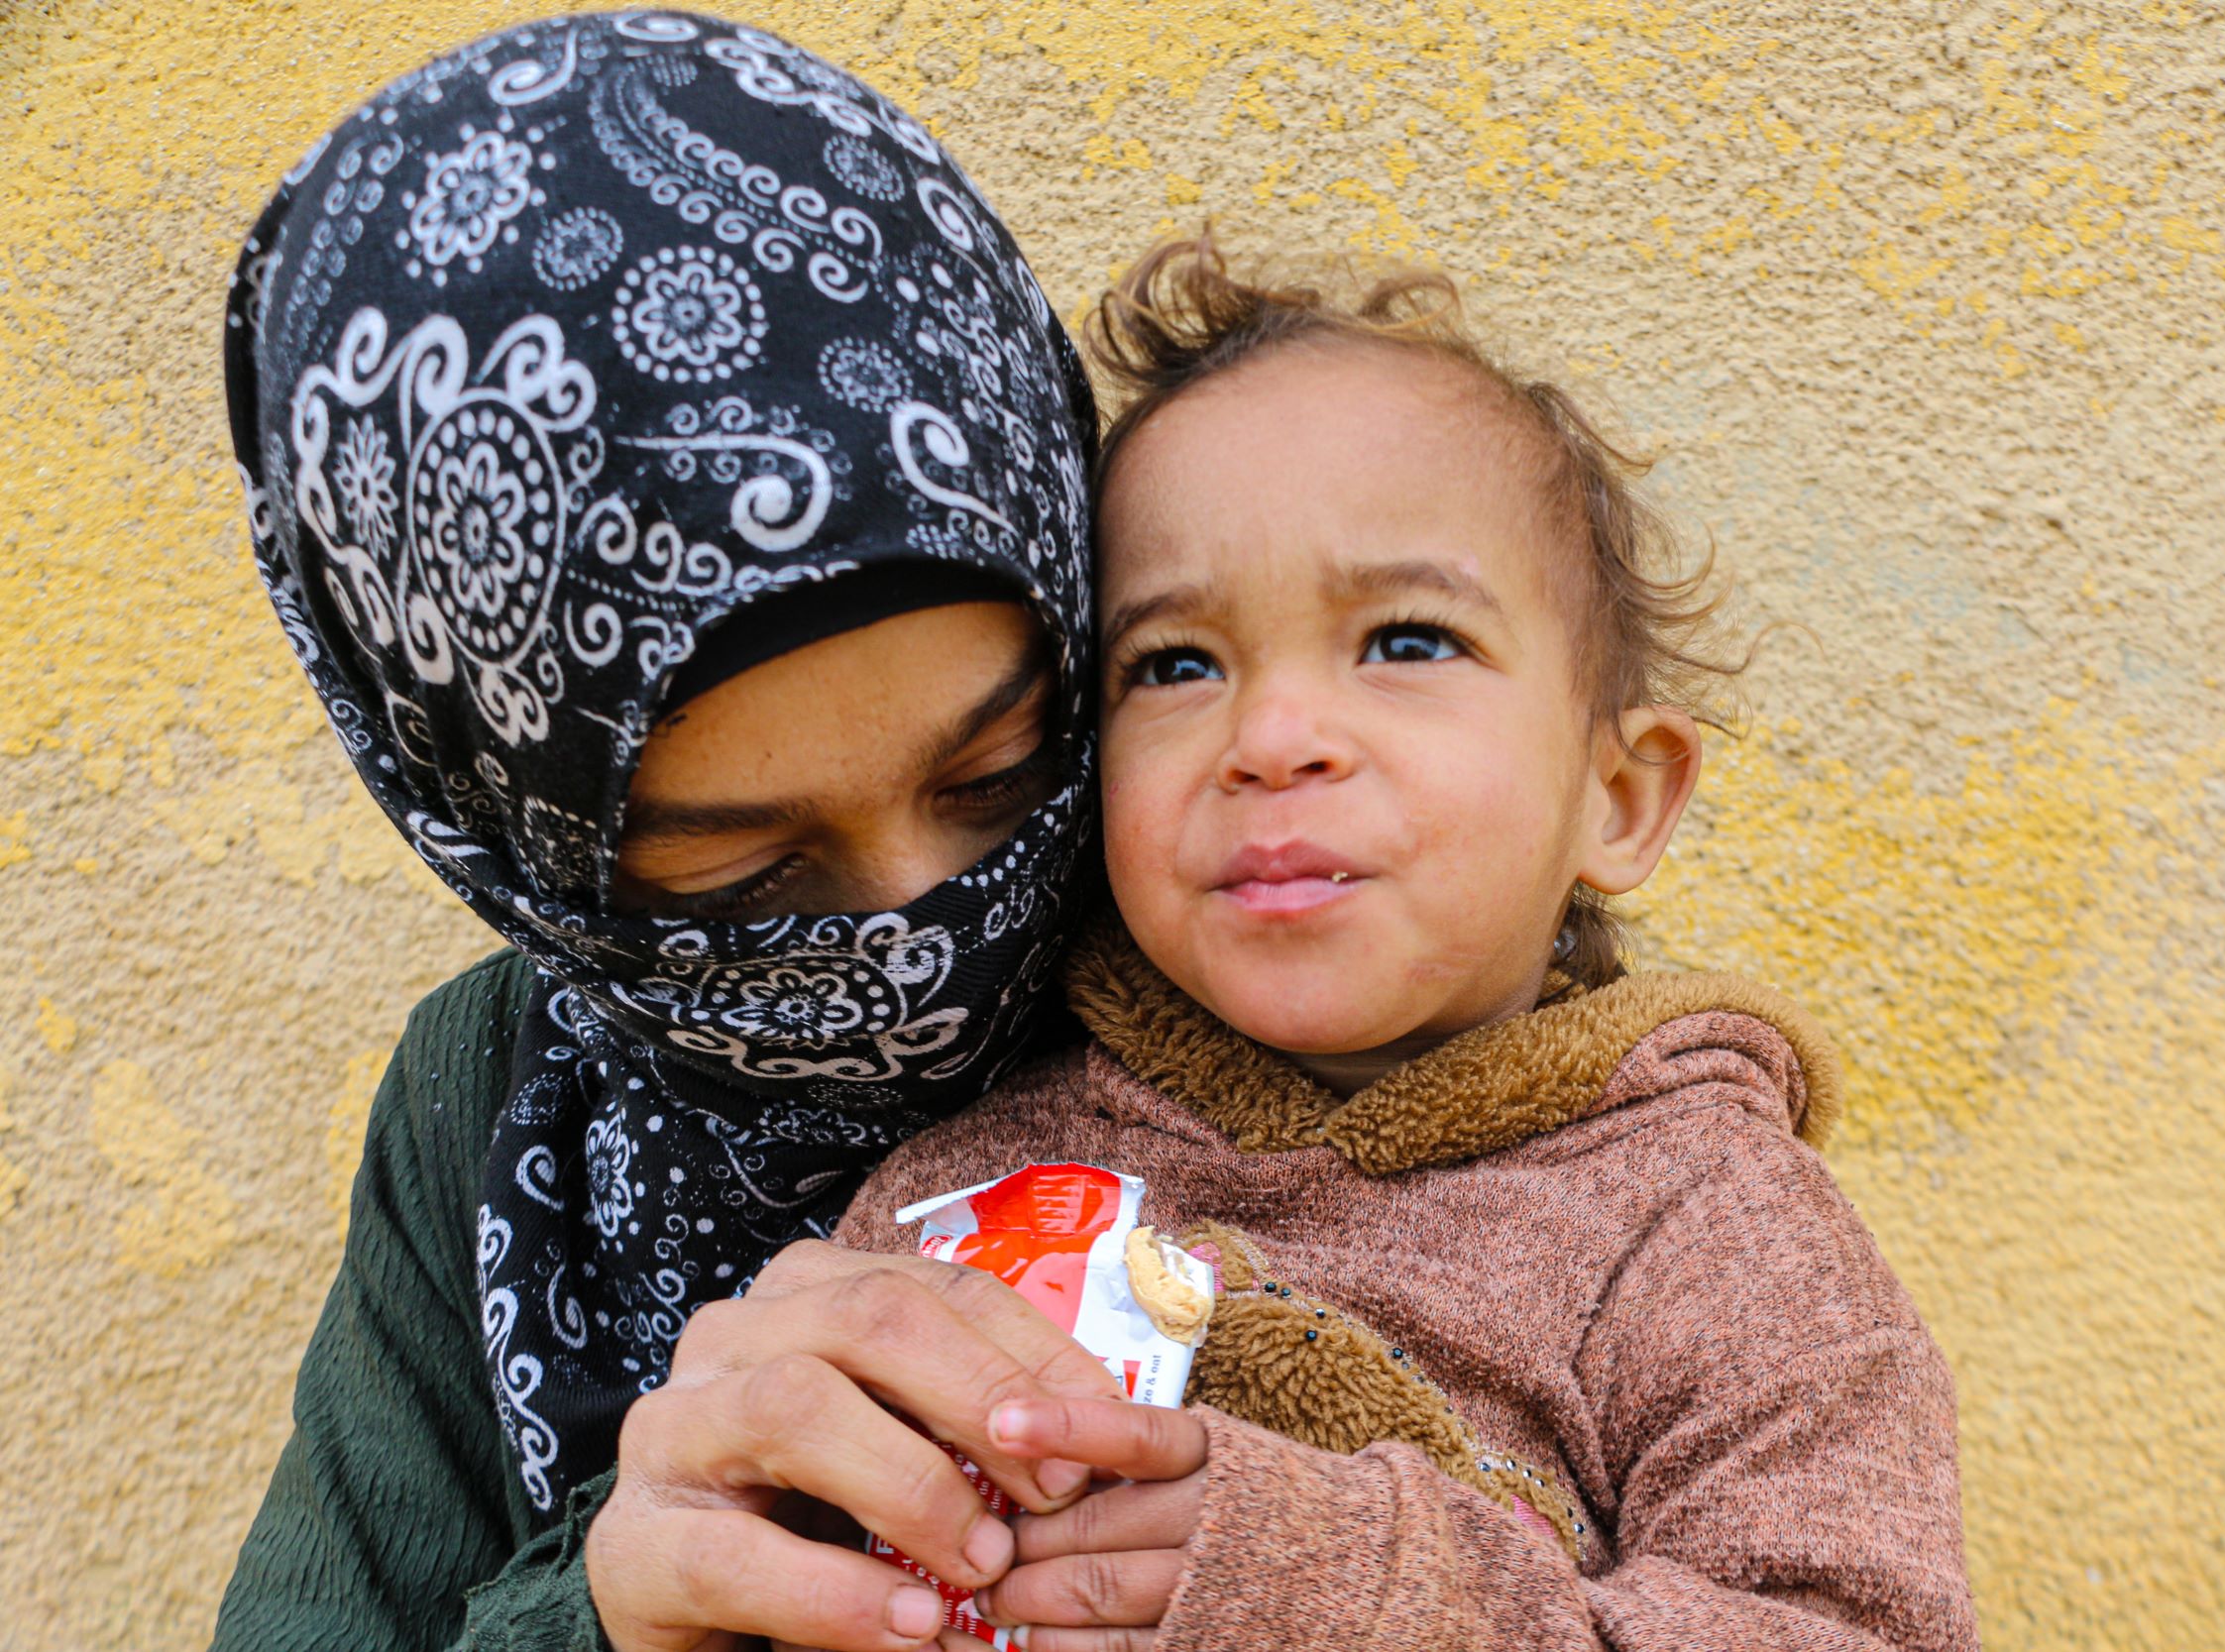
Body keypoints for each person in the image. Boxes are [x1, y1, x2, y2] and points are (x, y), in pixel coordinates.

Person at [831, 235, 1981, 1651]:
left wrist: (1363, 1594)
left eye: (1407, 641)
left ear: (1616, 800)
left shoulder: (1710, 1228)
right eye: (1175, 665)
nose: (1272, 740)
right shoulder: (968, 1188)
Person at [215, 15, 1130, 1651]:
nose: (926, 935)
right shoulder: (490, 1108)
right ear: (507, 839)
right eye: (751, 880)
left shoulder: (1309, 954)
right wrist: (607, 1609)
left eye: (998, 778)